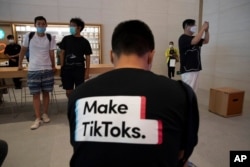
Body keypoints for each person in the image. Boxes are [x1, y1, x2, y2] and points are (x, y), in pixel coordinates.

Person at [67, 20, 199, 167]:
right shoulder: (181, 93)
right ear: (151, 56)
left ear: (111, 56)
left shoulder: (78, 95)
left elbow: (79, 147)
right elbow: (182, 154)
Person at [18, 16, 56, 130]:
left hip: (47, 69)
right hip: (33, 69)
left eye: (43, 24)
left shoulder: (50, 37)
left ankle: (45, 114)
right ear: (35, 25)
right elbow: (23, 50)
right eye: (39, 24)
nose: (41, 26)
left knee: (46, 93)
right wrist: (19, 64)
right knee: (35, 94)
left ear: (46, 25)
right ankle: (38, 118)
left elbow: (51, 53)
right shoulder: (29, 36)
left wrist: (53, 65)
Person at [59, 17, 92, 98]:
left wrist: (87, 71)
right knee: (68, 91)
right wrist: (62, 67)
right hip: (67, 69)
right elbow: (62, 53)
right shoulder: (66, 39)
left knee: (79, 91)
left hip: (79, 69)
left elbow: (88, 56)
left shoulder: (85, 41)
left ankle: (77, 107)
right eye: (70, 26)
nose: (70, 27)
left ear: (79, 27)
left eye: (73, 25)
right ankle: (71, 105)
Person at [178, 19, 209, 92]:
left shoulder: (194, 38)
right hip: (188, 70)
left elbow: (206, 41)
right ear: (186, 26)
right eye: (192, 25)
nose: (194, 26)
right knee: (188, 92)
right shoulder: (183, 38)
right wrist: (202, 29)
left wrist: (206, 31)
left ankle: (192, 103)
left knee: (193, 92)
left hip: (196, 69)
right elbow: (194, 41)